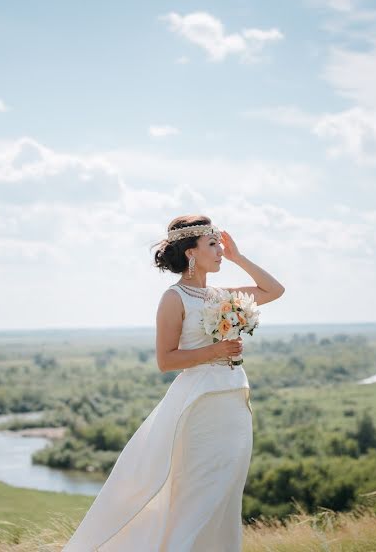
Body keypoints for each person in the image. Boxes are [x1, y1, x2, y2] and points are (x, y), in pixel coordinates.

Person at [62, 215, 285, 551]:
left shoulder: (220, 294)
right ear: (191, 252)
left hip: (233, 403)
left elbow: (274, 290)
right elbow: (166, 360)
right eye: (213, 245)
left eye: (220, 245)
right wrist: (217, 350)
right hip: (199, 405)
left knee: (226, 491)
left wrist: (239, 257)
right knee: (201, 494)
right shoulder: (174, 298)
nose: (220, 251)